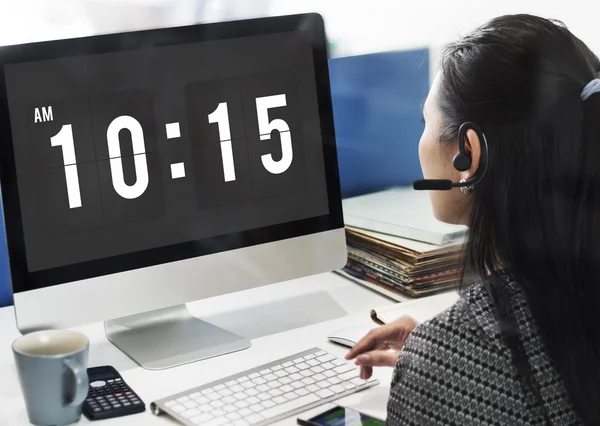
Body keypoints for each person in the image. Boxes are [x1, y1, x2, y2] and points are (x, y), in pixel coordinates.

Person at [346, 14, 600, 425]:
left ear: (468, 153)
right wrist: (454, 347)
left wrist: (446, 358)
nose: (421, 141)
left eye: (425, 123)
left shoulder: (446, 361)